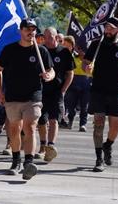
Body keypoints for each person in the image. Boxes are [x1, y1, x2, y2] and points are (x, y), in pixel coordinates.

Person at [0, 18, 54, 180]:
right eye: (27, 29)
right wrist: (0, 92)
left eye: (33, 29)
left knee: (30, 126)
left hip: (33, 97)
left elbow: (50, 70)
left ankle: (29, 163)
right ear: (20, 31)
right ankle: (16, 161)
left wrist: (49, 76)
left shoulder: (41, 51)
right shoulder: (9, 50)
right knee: (14, 129)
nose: (31, 32)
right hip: (12, 97)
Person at [83, 17, 118, 172]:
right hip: (98, 90)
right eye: (107, 27)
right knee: (98, 124)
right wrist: (87, 67)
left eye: (112, 28)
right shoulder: (96, 45)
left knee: (115, 126)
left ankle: (108, 145)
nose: (108, 30)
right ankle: (99, 159)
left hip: (116, 92)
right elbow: (85, 62)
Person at [36, 27, 75, 162]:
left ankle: (50, 146)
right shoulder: (40, 50)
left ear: (56, 37)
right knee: (41, 120)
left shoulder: (64, 52)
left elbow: (70, 73)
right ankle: (42, 145)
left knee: (54, 119)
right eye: (44, 37)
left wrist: (64, 90)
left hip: (57, 91)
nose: (46, 40)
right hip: (41, 90)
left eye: (49, 37)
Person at [63, 37, 91, 131]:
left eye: (84, 50)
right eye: (80, 49)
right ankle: (70, 120)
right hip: (73, 85)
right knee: (71, 106)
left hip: (86, 85)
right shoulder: (72, 58)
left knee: (84, 106)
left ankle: (82, 124)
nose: (82, 51)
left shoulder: (91, 61)